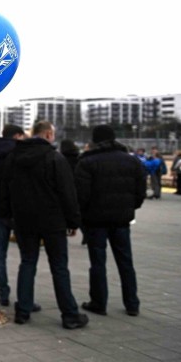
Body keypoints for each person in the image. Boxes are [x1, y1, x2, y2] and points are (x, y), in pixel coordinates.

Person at [0, 120, 89, 330]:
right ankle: (69, 314)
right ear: (48, 134)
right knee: (59, 266)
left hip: (23, 219)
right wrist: (73, 221)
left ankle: (23, 310)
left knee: (27, 262)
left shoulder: (14, 157)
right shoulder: (55, 158)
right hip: (52, 220)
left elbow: (5, 189)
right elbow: (67, 192)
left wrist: (6, 216)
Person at [74, 125, 146, 317]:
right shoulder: (132, 161)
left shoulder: (87, 162)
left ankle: (99, 302)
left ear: (94, 140)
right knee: (125, 262)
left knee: (98, 262)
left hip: (95, 221)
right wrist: (130, 208)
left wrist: (82, 215)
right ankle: (132, 303)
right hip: (122, 220)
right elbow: (140, 192)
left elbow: (82, 195)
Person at [0, 125, 27, 307]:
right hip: (18, 208)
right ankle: (25, 296)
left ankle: (3, 292)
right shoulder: (21, 155)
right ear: (17, 136)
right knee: (27, 255)